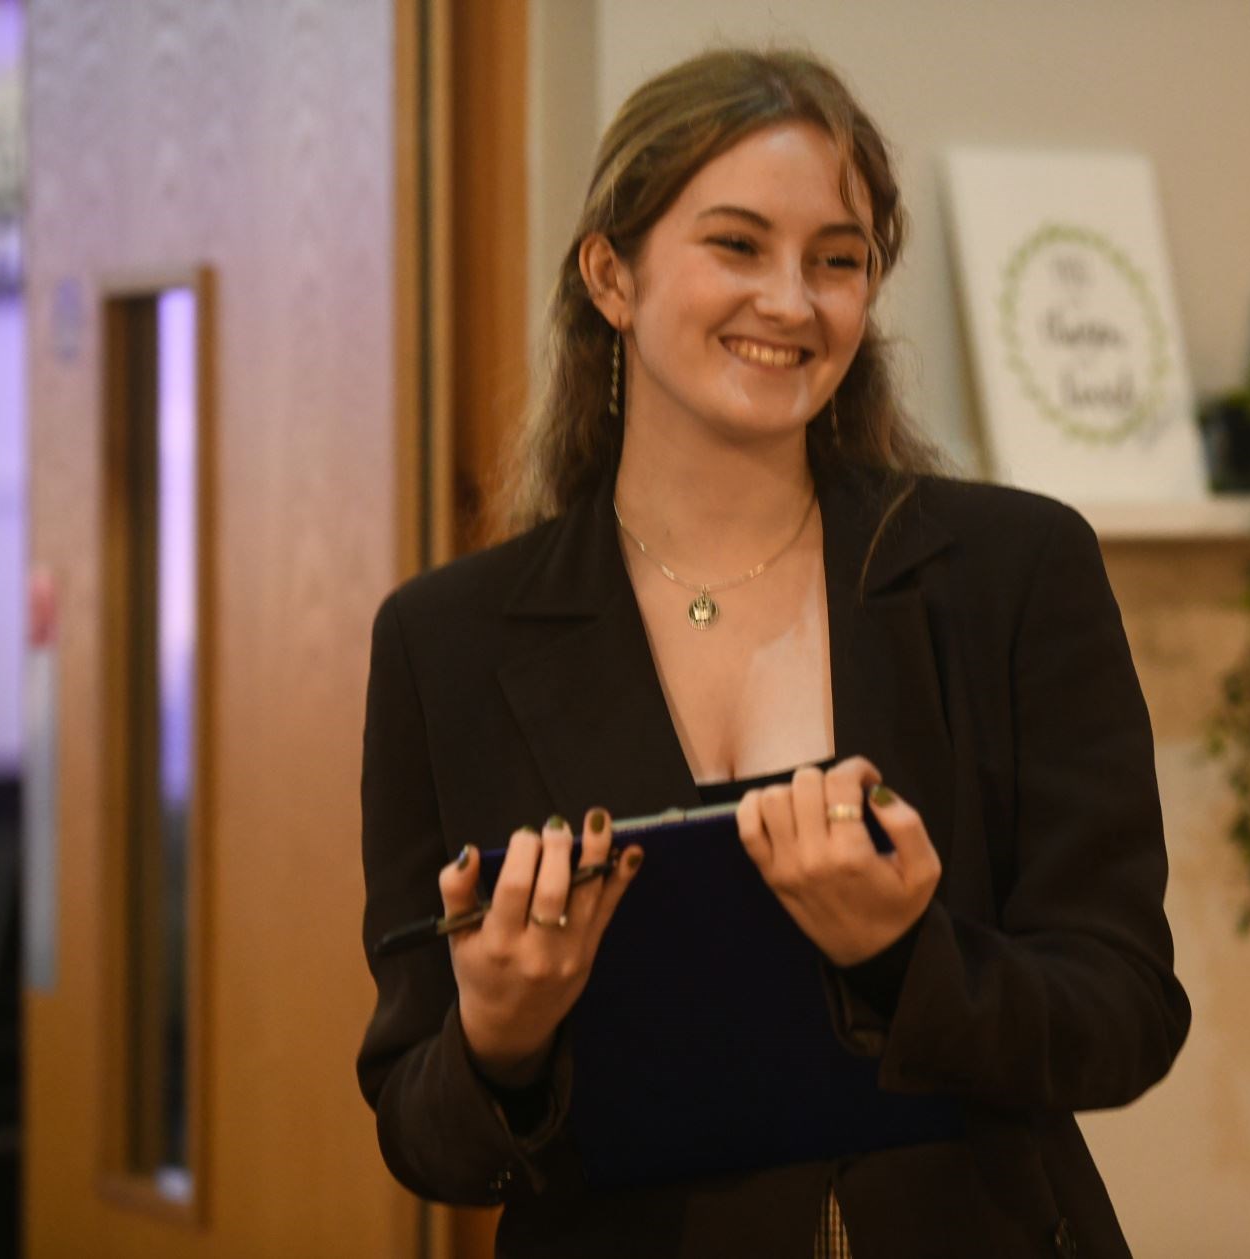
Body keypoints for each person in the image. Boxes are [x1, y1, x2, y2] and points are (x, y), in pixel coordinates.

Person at [357, 47, 1189, 1259]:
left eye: (836, 260)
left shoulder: (1014, 573)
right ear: (611, 274)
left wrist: (906, 956)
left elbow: (1124, 1016)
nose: (792, 301)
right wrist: (499, 1031)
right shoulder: (445, 640)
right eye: (736, 245)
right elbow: (425, 1137)